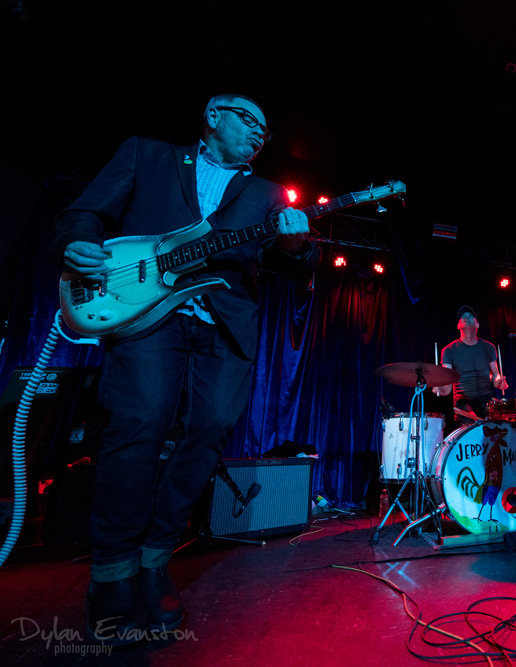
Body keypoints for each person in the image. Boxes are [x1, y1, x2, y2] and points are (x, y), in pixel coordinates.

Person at [50, 94, 319, 645]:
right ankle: (112, 573)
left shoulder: (266, 194)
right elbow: (86, 210)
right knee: (139, 426)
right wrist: (76, 240)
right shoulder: (147, 155)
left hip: (223, 323)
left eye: (266, 131)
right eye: (250, 121)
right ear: (213, 115)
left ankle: (155, 559)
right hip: (146, 314)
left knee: (209, 433)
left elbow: (290, 264)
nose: (259, 134)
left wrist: (296, 246)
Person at [432, 306, 508, 425]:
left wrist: (498, 381)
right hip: (462, 399)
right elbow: (447, 383)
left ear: (477, 325)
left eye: (470, 316)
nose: (466, 317)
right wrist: (441, 389)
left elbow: (495, 374)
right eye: (462, 317)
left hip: (486, 398)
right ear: (458, 326)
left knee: (495, 427)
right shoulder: (449, 350)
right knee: (472, 420)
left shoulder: (489, 347)